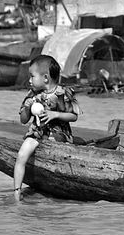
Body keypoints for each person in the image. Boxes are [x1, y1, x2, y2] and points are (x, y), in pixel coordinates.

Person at [14, 55, 80, 201]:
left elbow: (74, 115)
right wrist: (27, 107)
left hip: (59, 134)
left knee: (61, 161)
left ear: (45, 78)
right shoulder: (32, 95)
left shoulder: (63, 92)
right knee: (21, 155)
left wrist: (55, 114)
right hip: (37, 132)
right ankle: (17, 192)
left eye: (32, 76)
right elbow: (23, 120)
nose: (29, 80)